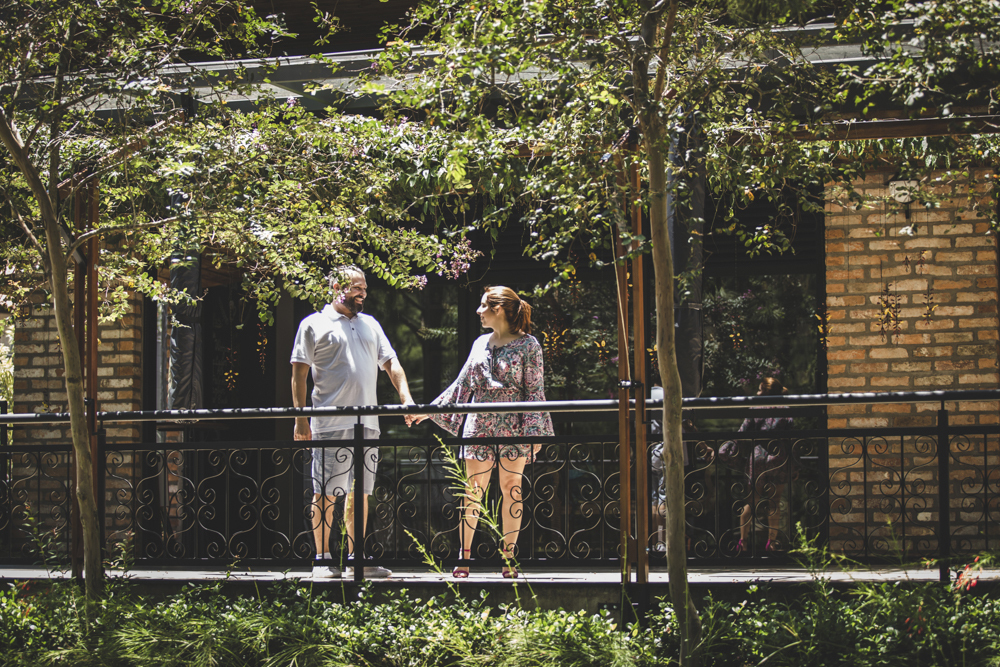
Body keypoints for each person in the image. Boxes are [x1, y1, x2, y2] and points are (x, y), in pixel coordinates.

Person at [416, 286, 553, 578]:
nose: (478, 312)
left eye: (483, 306)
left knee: (511, 489)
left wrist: (534, 433)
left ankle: (509, 559)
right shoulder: (479, 344)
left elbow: (535, 392)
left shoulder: (529, 346)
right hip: (478, 426)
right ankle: (464, 558)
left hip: (514, 427)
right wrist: (428, 410)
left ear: (498, 309)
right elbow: (462, 385)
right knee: (472, 492)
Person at [291, 266, 416, 578]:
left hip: (368, 423)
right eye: (357, 288)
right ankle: (322, 559)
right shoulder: (314, 324)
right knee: (326, 492)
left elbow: (392, 364)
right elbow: (299, 374)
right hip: (330, 423)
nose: (363, 293)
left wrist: (406, 399)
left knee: (359, 493)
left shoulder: (370, 325)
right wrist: (301, 419)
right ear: (337, 286)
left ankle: (357, 558)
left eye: (365, 288)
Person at [726, 377, 794, 554]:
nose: (756, 393)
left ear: (765, 391)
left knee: (751, 501)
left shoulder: (755, 409)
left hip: (758, 458)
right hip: (778, 457)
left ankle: (743, 541)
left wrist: (728, 449)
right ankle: (772, 542)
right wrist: (795, 465)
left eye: (759, 390)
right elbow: (791, 440)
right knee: (775, 501)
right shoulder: (786, 410)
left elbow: (742, 433)